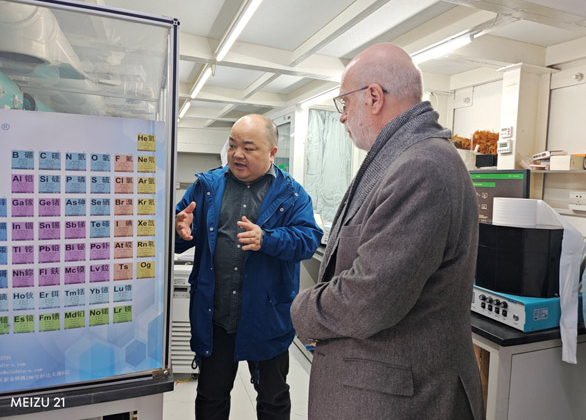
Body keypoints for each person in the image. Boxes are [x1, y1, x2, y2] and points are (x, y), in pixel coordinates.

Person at [290, 43, 485, 420]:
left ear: (374, 97)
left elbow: (369, 298)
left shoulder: (421, 166)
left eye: (345, 103)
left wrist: (303, 309)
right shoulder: (402, 158)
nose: (342, 117)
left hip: (405, 401)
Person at [175, 114, 323, 420]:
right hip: (215, 317)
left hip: (265, 319)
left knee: (273, 399)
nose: (237, 154)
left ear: (272, 152)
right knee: (211, 397)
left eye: (248, 147)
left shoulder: (292, 195)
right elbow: (179, 233)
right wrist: (177, 230)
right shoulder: (206, 187)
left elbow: (308, 240)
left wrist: (267, 239)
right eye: (232, 145)